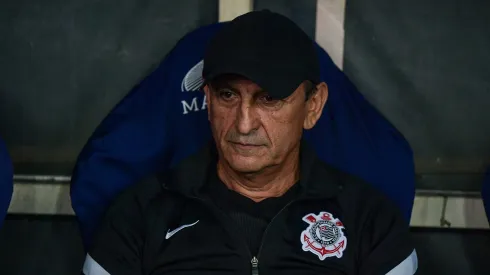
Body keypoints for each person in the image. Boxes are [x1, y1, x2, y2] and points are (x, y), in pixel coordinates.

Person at [82, 10, 417, 275]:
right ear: (207, 101)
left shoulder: (370, 222)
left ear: (312, 107)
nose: (243, 124)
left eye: (269, 99)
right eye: (227, 95)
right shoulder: (139, 216)